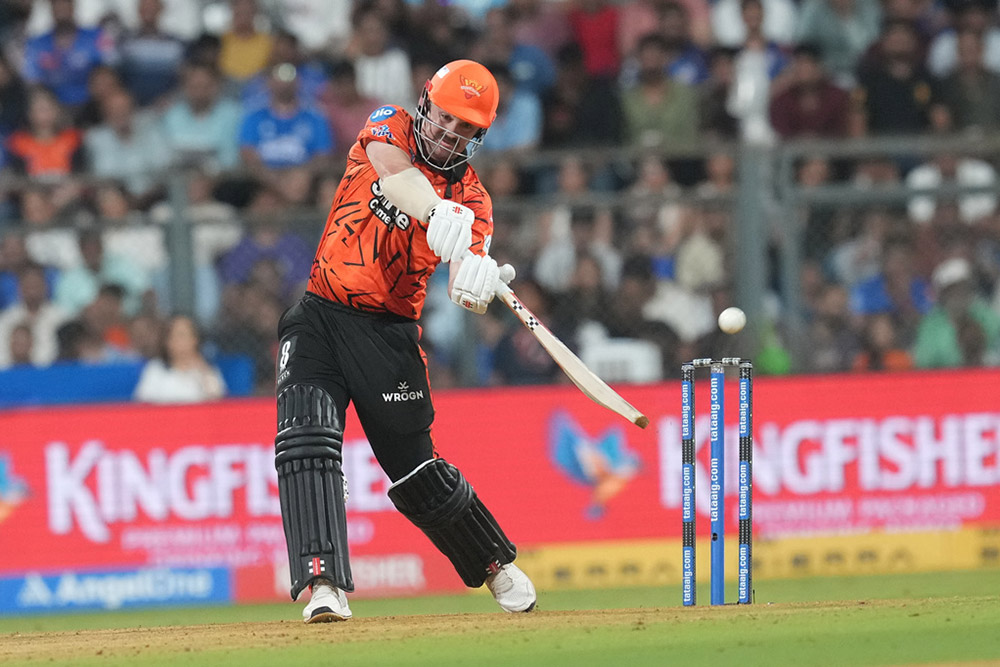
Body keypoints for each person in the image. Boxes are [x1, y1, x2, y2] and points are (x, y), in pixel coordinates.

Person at [275, 59, 536, 623]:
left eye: (466, 127)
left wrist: (474, 276)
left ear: (479, 135)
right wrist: (434, 208)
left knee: (415, 470)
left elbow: (464, 284)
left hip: (387, 336)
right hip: (320, 314)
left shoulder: (475, 203)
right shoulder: (389, 123)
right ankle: (323, 585)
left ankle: (494, 564)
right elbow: (393, 173)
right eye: (445, 116)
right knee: (305, 444)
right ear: (425, 104)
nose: (450, 133)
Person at [133, 313, 226, 403]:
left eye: (182, 335)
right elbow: (143, 403)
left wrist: (204, 370)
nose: (178, 341)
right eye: (173, 336)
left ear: (195, 339)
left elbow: (217, 401)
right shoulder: (155, 369)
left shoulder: (207, 369)